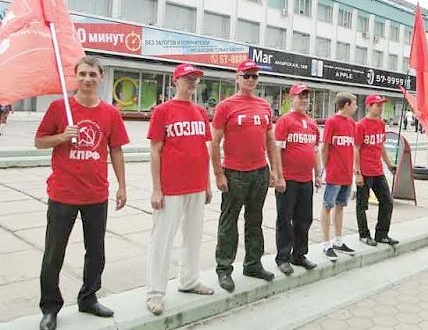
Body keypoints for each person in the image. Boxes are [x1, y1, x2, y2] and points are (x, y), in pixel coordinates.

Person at [34, 56, 129, 330]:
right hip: (63, 194)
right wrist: (62, 137)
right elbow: (39, 141)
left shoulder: (110, 113)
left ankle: (89, 298)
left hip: (96, 196)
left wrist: (122, 185)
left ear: (101, 78)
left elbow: (116, 150)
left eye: (93, 75)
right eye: (83, 74)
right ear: (76, 77)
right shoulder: (58, 108)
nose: (87, 79)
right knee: (54, 254)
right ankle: (50, 307)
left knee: (96, 253)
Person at [145, 64, 214, 316]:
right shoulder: (163, 111)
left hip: (196, 186)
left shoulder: (199, 111)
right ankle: (154, 292)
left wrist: (206, 184)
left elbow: (202, 150)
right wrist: (156, 188)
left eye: (195, 79)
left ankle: (189, 280)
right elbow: (155, 150)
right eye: (187, 79)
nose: (192, 83)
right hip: (171, 187)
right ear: (176, 81)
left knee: (193, 236)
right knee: (162, 239)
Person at [211, 60, 283, 292]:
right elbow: (214, 143)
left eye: (254, 76)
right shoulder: (226, 106)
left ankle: (253, 263)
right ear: (237, 78)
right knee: (228, 222)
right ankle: (224, 268)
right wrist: (219, 174)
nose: (250, 80)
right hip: (234, 173)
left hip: (259, 172)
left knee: (255, 221)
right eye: (246, 76)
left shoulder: (264, 106)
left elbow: (270, 141)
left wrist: (274, 170)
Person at [274, 83, 322, 275]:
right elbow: (276, 150)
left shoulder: (312, 124)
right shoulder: (285, 121)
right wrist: (279, 176)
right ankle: (283, 257)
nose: (304, 100)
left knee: (304, 219)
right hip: (288, 179)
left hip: (306, 181)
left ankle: (299, 255)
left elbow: (315, 151)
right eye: (300, 96)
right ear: (291, 98)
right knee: (285, 219)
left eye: (306, 97)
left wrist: (318, 175)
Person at [354, 95, 399, 246]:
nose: (380, 108)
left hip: (378, 170)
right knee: (362, 205)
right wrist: (357, 172)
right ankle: (364, 234)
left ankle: (382, 234)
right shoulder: (360, 125)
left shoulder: (381, 124)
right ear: (369, 106)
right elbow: (356, 149)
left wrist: (389, 164)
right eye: (377, 105)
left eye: (381, 105)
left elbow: (381, 146)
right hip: (365, 172)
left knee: (387, 202)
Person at [321, 92, 357, 261]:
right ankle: (326, 244)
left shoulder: (352, 123)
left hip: (347, 174)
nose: (356, 107)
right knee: (328, 206)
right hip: (334, 173)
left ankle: (338, 240)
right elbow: (325, 147)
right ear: (346, 105)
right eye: (354, 104)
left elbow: (353, 148)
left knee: (340, 206)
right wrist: (327, 168)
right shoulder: (332, 122)